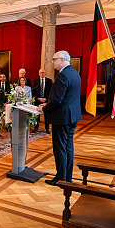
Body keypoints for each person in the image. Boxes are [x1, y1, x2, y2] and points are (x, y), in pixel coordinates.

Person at [37, 51, 81, 186]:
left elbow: (57, 100)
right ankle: (67, 177)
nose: (52, 62)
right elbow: (66, 98)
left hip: (62, 118)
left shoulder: (63, 75)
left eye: (54, 60)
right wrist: (48, 103)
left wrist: (43, 108)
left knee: (60, 148)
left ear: (62, 60)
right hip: (72, 116)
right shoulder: (74, 73)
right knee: (68, 147)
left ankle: (61, 179)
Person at [32, 69, 53, 133]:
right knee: (37, 116)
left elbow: (51, 91)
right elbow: (34, 91)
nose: (42, 74)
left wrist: (46, 98)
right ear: (38, 74)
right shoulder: (36, 81)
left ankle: (47, 128)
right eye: (41, 73)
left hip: (46, 100)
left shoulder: (49, 81)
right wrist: (38, 98)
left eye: (43, 73)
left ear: (45, 73)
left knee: (46, 115)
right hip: (38, 100)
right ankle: (36, 128)